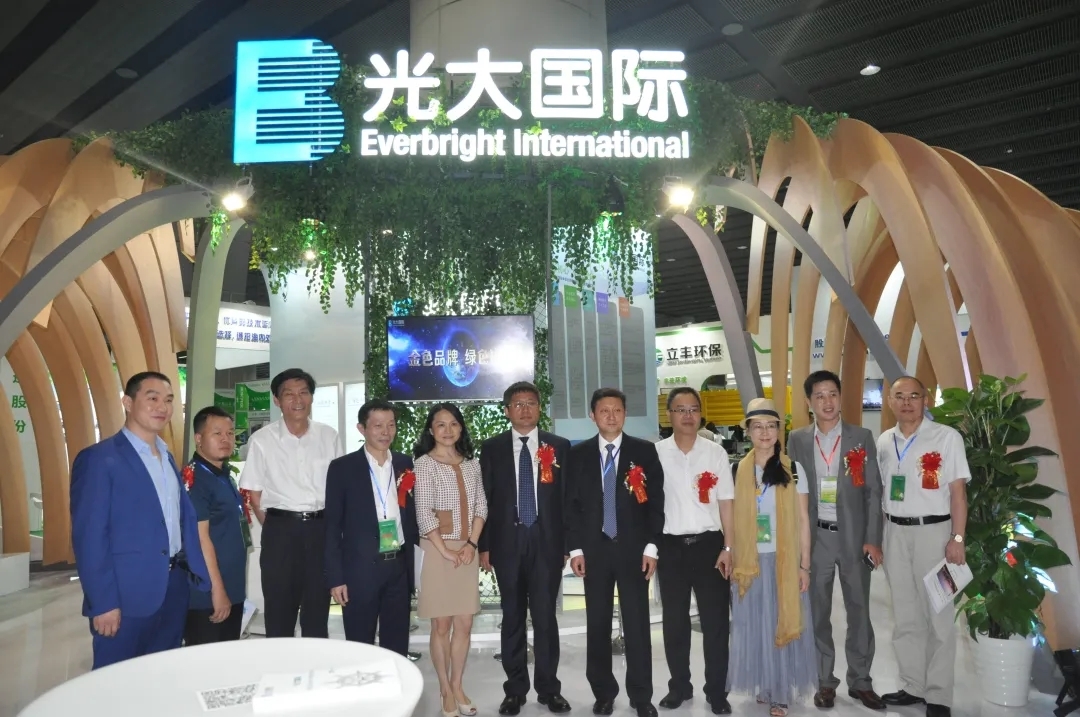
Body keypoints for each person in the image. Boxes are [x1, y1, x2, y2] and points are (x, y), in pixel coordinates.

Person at [70, 371, 210, 669]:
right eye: (153, 398)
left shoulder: (167, 457)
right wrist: (103, 602)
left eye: (169, 400)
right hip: (125, 594)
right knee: (116, 679)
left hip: (173, 587)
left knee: (160, 674)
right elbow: (90, 538)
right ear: (128, 403)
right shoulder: (99, 459)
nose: (163, 407)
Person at [787, 371, 885, 710]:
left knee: (859, 609)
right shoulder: (797, 439)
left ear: (840, 397)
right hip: (816, 539)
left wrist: (872, 539)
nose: (827, 402)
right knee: (817, 611)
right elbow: (791, 493)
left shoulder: (862, 437)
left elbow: (874, 492)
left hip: (854, 538)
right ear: (808, 402)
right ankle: (824, 681)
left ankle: (861, 681)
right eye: (819, 396)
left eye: (832, 394)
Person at [565, 387, 665, 717]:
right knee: (597, 624)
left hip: (634, 551)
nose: (611, 416)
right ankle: (603, 692)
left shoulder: (644, 451)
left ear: (625, 414)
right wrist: (575, 548)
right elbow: (571, 506)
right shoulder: (577, 454)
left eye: (617, 410)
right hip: (593, 551)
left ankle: (641, 695)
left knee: (637, 624)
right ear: (592, 415)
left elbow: (656, 502)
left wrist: (652, 546)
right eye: (604, 411)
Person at [478, 382, 572, 716]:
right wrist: (485, 546)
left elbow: (567, 500)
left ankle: (549, 689)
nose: (525, 409)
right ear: (507, 410)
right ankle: (515, 691)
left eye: (531, 403)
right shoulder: (491, 448)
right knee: (513, 617)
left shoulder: (559, 446)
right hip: (507, 543)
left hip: (547, 543)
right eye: (518, 404)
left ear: (539, 408)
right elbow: (484, 499)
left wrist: (567, 545)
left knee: (545, 617)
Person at [877, 376, 970, 717]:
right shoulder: (884, 441)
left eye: (913, 396)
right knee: (905, 615)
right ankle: (913, 686)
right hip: (894, 533)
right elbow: (883, 490)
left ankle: (939, 695)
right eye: (899, 396)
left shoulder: (946, 437)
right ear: (890, 401)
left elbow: (959, 494)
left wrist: (957, 538)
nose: (906, 402)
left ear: (925, 399)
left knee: (939, 615)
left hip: (935, 533)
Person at [728, 398, 817, 716]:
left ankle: (780, 692)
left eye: (770, 426)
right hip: (750, 563)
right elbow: (731, 518)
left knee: (782, 621)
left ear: (779, 431)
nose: (764, 432)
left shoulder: (794, 470)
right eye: (757, 426)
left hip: (784, 561)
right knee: (757, 625)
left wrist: (804, 565)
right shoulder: (738, 470)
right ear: (748, 432)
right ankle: (765, 684)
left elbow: (803, 520)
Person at [238, 368, 342, 638]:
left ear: (312, 397)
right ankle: (279, 665)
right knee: (279, 612)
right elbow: (254, 493)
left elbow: (339, 488)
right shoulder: (262, 440)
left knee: (317, 612)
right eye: (289, 394)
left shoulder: (328, 436)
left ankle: (314, 664)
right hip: (281, 532)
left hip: (320, 530)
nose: (298, 400)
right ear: (277, 400)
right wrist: (276, 525)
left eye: (303, 393)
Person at [656, 388, 735, 714]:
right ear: (669, 415)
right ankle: (679, 686)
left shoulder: (715, 453)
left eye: (693, 409)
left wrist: (729, 547)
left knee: (716, 624)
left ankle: (717, 691)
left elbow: (726, 502)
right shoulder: (656, 453)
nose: (687, 416)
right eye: (680, 409)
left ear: (701, 414)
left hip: (710, 547)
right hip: (671, 549)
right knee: (674, 623)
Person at [325, 400, 418, 654]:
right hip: (360, 569)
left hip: (398, 566)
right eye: (378, 426)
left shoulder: (404, 464)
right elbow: (332, 526)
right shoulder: (342, 468)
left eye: (391, 425)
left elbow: (412, 515)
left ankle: (395, 681)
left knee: (397, 642)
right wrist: (336, 578)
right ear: (362, 428)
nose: (386, 432)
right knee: (359, 644)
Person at [414, 403, 488, 717]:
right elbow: (423, 512)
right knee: (441, 624)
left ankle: (458, 684)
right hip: (436, 550)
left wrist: (471, 544)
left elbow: (481, 506)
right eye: (441, 424)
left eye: (454, 424)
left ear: (461, 428)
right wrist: (445, 550)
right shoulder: (423, 464)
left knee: (465, 623)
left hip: (466, 549)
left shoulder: (472, 464)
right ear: (431, 430)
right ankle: (444, 688)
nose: (448, 430)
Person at [184, 406, 249, 645]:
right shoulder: (195, 479)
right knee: (206, 660)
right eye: (217, 433)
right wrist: (217, 590)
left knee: (227, 657)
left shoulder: (223, 475)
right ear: (198, 438)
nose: (226, 439)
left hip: (231, 586)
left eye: (230, 433)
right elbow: (200, 539)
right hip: (208, 593)